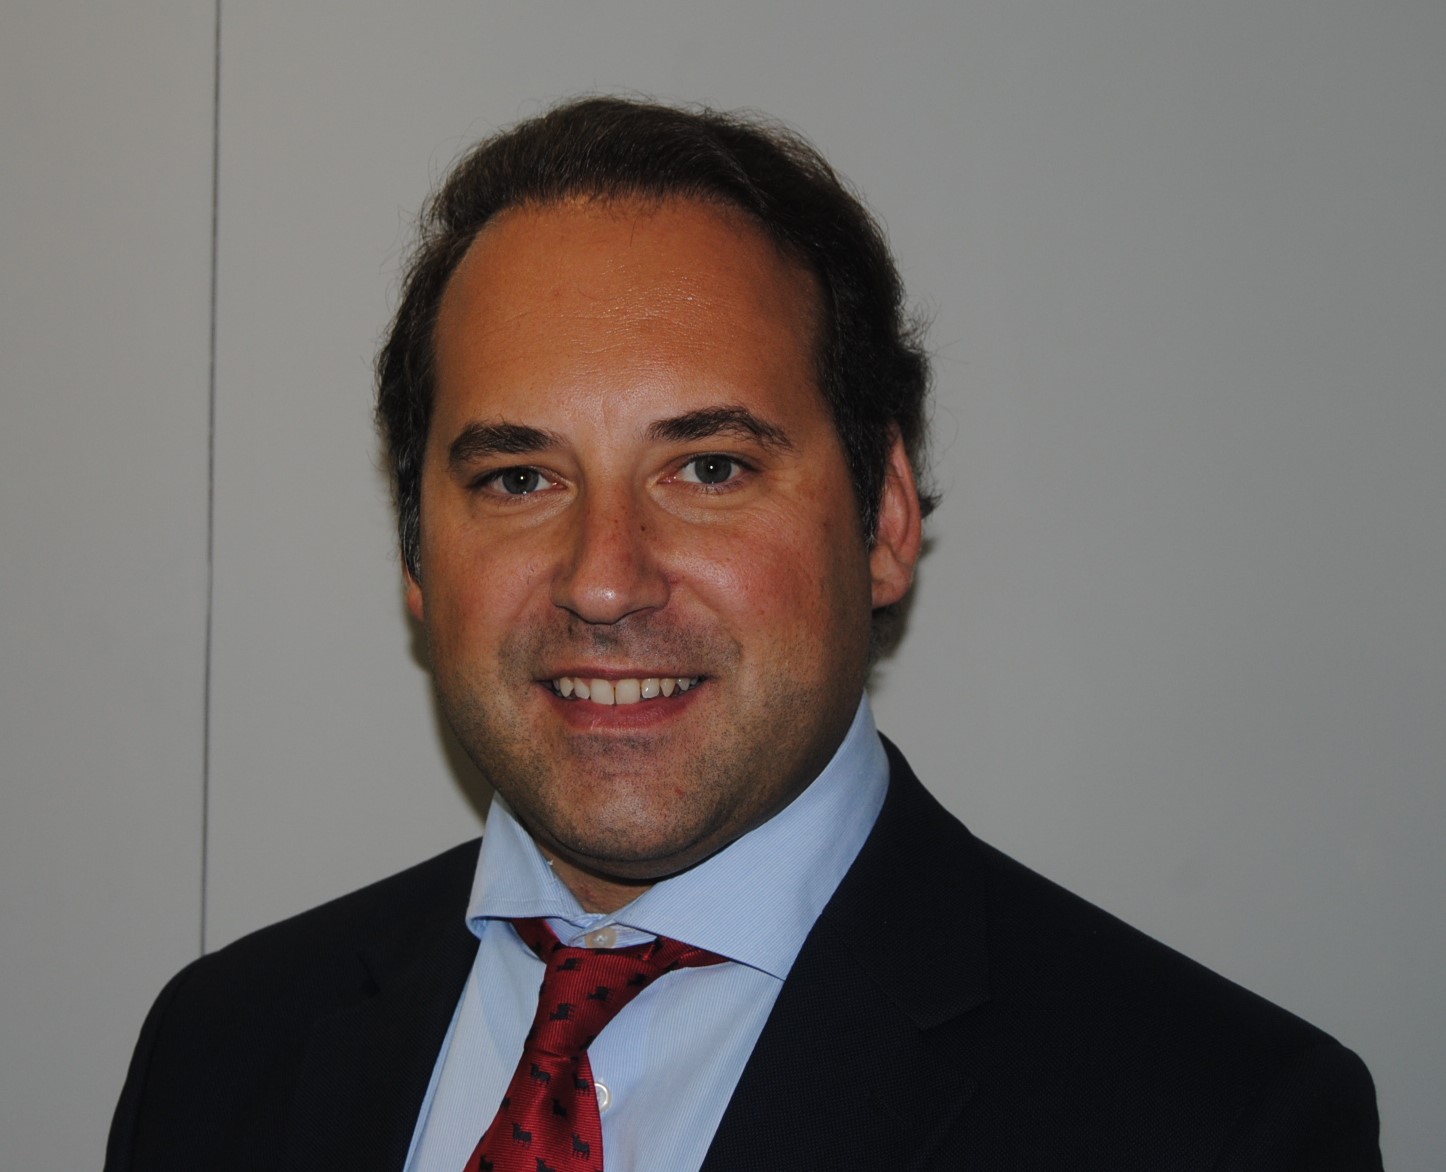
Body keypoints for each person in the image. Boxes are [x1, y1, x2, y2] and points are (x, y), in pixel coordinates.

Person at [105, 97, 1382, 1171]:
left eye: (709, 467)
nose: (604, 581)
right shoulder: (220, 1052)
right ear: (417, 558)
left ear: (884, 520)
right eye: (519, 478)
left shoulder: (1220, 1121)